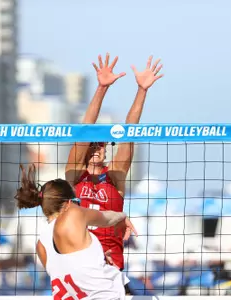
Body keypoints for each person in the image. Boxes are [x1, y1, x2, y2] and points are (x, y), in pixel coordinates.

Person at [65, 53, 163, 273]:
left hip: (111, 265)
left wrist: (142, 90)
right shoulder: (74, 175)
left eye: (101, 145)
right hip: (79, 261)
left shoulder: (115, 175)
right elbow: (84, 130)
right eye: (93, 144)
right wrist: (102, 88)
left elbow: (130, 133)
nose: (97, 147)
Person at [15, 164, 138, 299]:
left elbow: (71, 271)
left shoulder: (41, 245)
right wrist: (122, 216)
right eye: (76, 201)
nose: (79, 205)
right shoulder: (73, 214)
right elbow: (107, 218)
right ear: (68, 203)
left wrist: (98, 259)